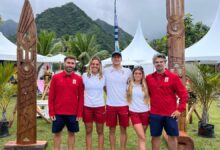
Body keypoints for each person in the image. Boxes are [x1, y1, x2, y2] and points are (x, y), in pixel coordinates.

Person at [146, 53, 188, 150]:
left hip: (170, 114)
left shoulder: (173, 77)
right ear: (154, 64)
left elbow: (184, 95)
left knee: (172, 137)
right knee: (155, 137)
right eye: (156, 62)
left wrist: (179, 110)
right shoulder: (149, 78)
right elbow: (145, 94)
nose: (159, 64)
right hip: (155, 114)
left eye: (161, 62)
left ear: (165, 63)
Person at [48, 55, 84, 150]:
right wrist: (51, 112)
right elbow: (51, 96)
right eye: (68, 63)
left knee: (71, 133)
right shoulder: (55, 78)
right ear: (64, 63)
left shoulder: (79, 79)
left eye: (72, 63)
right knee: (57, 134)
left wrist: (79, 113)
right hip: (58, 113)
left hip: (73, 113)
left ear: (74, 65)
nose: (70, 65)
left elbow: (81, 98)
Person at [104, 51, 132, 150]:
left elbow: (131, 86)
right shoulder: (106, 71)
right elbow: (104, 86)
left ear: (121, 59)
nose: (116, 59)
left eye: (118, 57)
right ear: (112, 59)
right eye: (114, 57)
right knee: (112, 129)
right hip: (110, 105)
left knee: (123, 129)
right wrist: (109, 94)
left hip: (124, 105)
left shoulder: (128, 71)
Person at [82, 56, 105, 150]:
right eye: (93, 64)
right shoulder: (84, 76)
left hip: (99, 107)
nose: (95, 66)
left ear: (99, 66)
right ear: (90, 65)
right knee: (88, 131)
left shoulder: (103, 77)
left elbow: (108, 89)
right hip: (87, 107)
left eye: (97, 64)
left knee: (100, 131)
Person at [127, 66, 150, 150]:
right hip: (134, 113)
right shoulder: (129, 85)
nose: (137, 75)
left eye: (139, 73)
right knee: (142, 137)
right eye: (136, 73)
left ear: (142, 75)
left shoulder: (146, 86)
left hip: (145, 113)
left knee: (141, 136)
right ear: (133, 74)